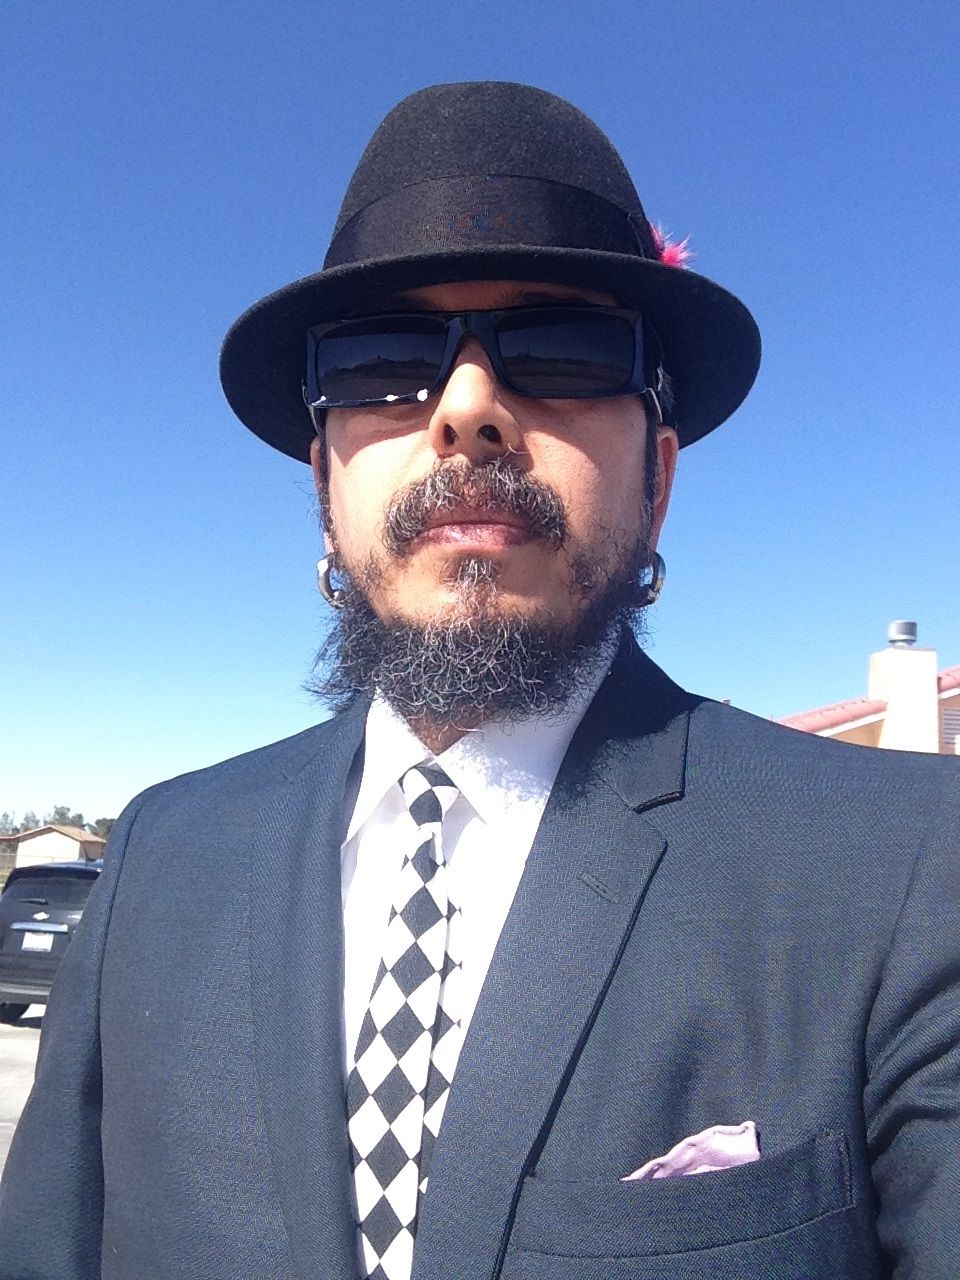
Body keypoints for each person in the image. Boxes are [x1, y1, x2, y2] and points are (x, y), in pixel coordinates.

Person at [1, 81, 957, 1280]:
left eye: (564, 347)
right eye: (382, 360)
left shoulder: (913, 868)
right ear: (324, 487)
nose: (467, 408)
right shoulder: (160, 855)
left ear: (659, 479)